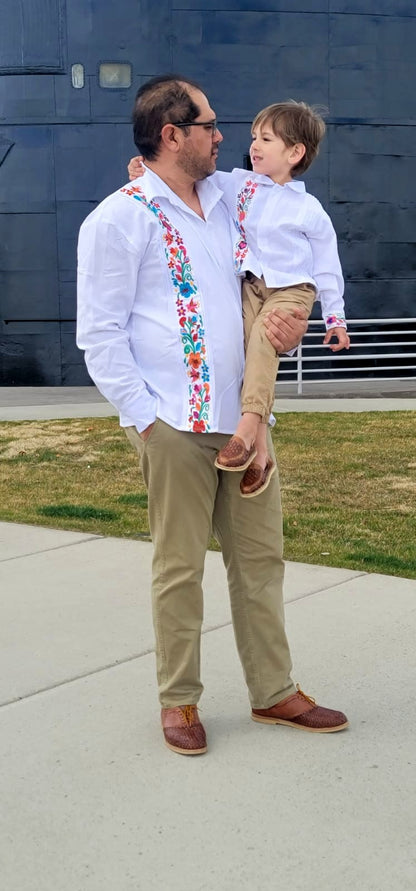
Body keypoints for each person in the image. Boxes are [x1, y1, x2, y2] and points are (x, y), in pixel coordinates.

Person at [77, 74, 348, 756]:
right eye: (209, 124)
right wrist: (145, 420)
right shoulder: (118, 218)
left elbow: (285, 255)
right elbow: (100, 334)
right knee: (179, 567)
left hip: (249, 423)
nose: (223, 136)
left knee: (261, 561)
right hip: (172, 423)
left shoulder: (232, 195)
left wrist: (294, 321)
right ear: (173, 134)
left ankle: (274, 690)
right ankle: (179, 700)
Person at [129, 100, 350, 498]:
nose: (254, 146)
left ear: (295, 153)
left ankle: (247, 429)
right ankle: (261, 454)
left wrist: (335, 317)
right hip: (251, 285)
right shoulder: (237, 184)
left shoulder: (309, 209)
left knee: (265, 340)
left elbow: (327, 266)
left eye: (266, 139)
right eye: (254, 137)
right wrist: (145, 171)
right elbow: (183, 179)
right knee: (245, 352)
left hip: (292, 288)